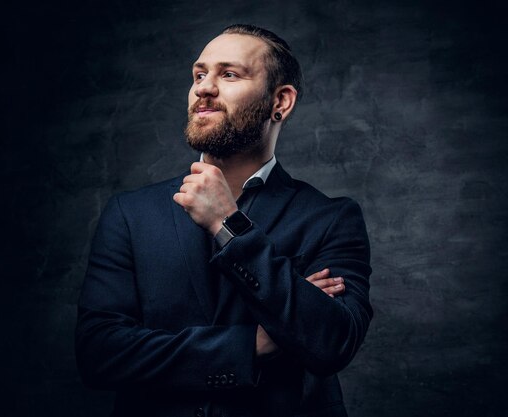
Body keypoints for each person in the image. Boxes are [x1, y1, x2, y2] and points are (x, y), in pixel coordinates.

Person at [76, 24, 373, 417]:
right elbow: (100, 354)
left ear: (280, 101)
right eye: (199, 75)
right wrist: (254, 343)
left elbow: (330, 341)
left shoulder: (330, 218)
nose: (204, 88)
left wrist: (227, 225)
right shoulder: (131, 214)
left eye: (228, 74)